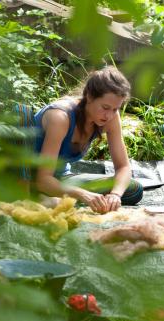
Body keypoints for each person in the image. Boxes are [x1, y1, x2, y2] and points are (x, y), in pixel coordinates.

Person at [31, 66, 143, 213]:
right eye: (105, 107)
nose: (109, 115)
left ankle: (58, 200)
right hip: (33, 179)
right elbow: (43, 179)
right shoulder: (60, 117)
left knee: (134, 189)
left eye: (115, 109)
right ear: (89, 97)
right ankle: (42, 199)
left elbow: (123, 167)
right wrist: (83, 194)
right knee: (56, 197)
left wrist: (115, 195)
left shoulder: (111, 118)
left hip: (63, 179)